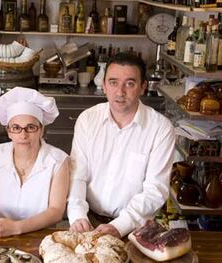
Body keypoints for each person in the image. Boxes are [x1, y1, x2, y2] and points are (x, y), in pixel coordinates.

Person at [68, 53, 175, 238]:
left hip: (136, 227)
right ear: (104, 85)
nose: (120, 92)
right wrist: (77, 216)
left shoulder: (161, 128)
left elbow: (155, 189)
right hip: (89, 221)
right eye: (113, 82)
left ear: (143, 87)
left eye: (130, 83)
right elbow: (78, 176)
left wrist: (120, 225)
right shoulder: (87, 119)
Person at [0, 87, 70, 237]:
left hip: (40, 237)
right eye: (16, 128)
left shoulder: (58, 160)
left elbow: (56, 211)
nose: (23, 135)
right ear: (9, 131)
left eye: (30, 127)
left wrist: (17, 227)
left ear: (41, 130)